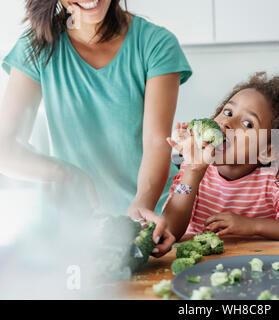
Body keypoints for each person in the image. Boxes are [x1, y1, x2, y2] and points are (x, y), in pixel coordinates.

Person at [0, 0, 192, 256]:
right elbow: (6, 146)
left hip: (151, 217)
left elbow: (156, 142)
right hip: (80, 227)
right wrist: (65, 173)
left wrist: (138, 211)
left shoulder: (156, 43)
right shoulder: (36, 46)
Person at [164, 72, 279, 247]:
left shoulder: (274, 183)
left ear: (267, 151)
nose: (227, 123)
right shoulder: (193, 170)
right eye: (227, 112)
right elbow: (169, 230)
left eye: (248, 124)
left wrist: (253, 226)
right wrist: (193, 172)